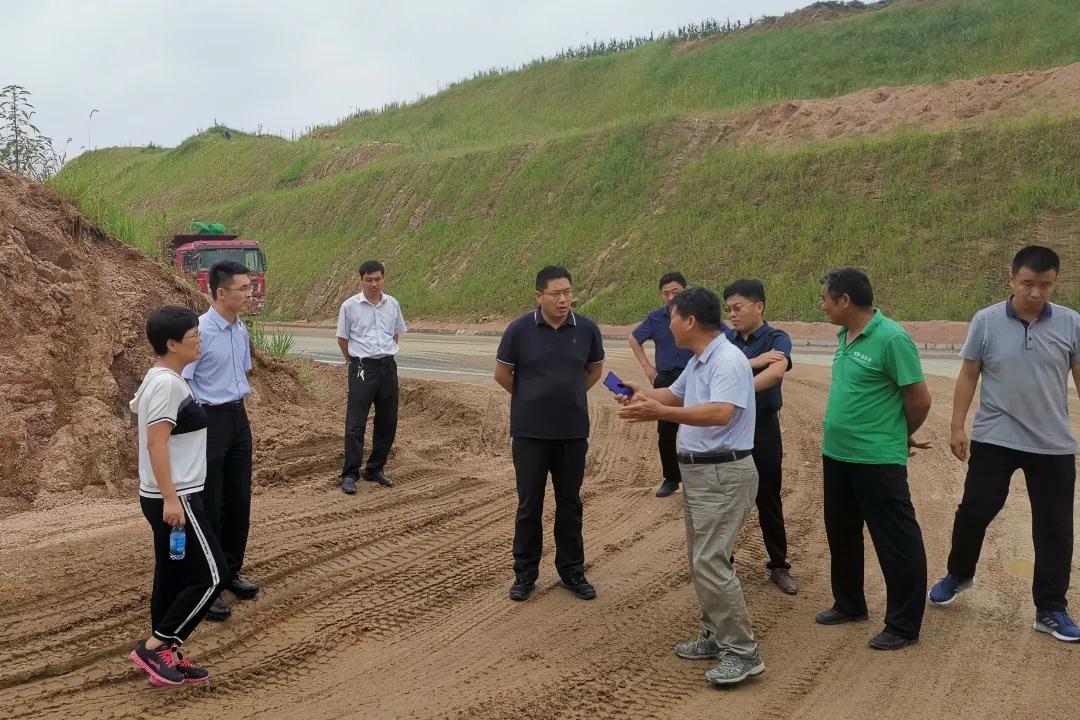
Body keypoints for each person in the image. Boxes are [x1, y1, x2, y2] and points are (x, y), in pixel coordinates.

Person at [929, 245, 1080, 643]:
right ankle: (959, 573)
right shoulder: (987, 320)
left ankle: (1050, 609)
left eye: (1045, 285)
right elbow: (968, 375)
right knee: (976, 508)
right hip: (996, 437)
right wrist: (957, 426)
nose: (1035, 293)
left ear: (1055, 282)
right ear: (1012, 279)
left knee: (1055, 528)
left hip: (1053, 445)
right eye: (1028, 283)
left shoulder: (1070, 323)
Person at [618, 287, 764, 687]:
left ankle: (743, 652)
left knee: (711, 561)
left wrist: (661, 412)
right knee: (705, 559)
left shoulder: (728, 361)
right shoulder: (701, 359)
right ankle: (715, 635)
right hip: (702, 474)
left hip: (723, 473)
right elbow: (676, 393)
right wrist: (641, 394)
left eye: (671, 317)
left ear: (690, 322)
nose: (668, 324)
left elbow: (720, 412)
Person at [815, 267, 931, 651]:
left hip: (877, 459)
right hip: (838, 456)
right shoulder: (843, 334)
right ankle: (849, 604)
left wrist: (899, 434)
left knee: (896, 540)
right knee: (842, 532)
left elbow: (919, 399)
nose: (822, 305)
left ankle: (902, 625)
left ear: (845, 300)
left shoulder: (892, 338)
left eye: (825, 298)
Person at [495, 266, 605, 602]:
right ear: (539, 296)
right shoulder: (519, 330)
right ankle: (525, 574)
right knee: (530, 505)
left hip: (572, 432)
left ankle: (572, 571)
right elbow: (502, 373)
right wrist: (532, 398)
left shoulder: (586, 329)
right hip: (530, 433)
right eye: (556, 293)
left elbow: (594, 370)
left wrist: (568, 395)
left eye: (568, 292)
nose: (563, 299)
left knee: (570, 503)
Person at [129, 305, 224, 686]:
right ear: (172, 344)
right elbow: (156, 444)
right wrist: (171, 499)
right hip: (175, 498)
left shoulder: (160, 378)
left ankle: (165, 653)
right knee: (212, 574)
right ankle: (155, 646)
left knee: (171, 573)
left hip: (167, 495)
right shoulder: (167, 384)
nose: (199, 341)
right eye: (193, 337)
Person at [182, 261, 258, 622]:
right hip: (208, 420)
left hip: (237, 419)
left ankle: (230, 571)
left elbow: (241, 373)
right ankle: (206, 583)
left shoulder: (240, 330)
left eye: (249, 287)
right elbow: (184, 381)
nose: (249, 292)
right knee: (208, 502)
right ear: (220, 292)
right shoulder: (198, 332)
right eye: (243, 288)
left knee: (239, 497)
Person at [723, 279, 798, 595]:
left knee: (768, 495)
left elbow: (777, 371)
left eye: (737, 308)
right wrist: (750, 366)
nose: (733, 316)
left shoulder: (776, 337)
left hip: (762, 427)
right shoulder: (726, 340)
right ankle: (723, 563)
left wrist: (736, 386)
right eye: (728, 310)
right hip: (729, 426)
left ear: (759, 307)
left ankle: (779, 564)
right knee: (727, 497)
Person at [336, 259, 407, 494]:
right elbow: (343, 339)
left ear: (383, 279)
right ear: (361, 280)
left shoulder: (392, 304)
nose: (373, 284)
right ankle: (350, 473)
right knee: (356, 423)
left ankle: (375, 468)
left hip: (387, 367)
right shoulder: (349, 306)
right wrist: (354, 360)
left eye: (377, 279)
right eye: (369, 280)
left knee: (388, 420)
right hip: (362, 368)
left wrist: (383, 356)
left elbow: (395, 335)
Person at [628, 272, 698, 498]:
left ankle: (698, 480)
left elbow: (723, 336)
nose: (670, 297)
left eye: (675, 292)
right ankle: (671, 478)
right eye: (666, 293)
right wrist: (647, 367)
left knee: (699, 427)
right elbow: (633, 338)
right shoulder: (656, 318)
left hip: (694, 377)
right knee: (666, 431)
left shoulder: (699, 314)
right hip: (666, 378)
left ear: (685, 291)